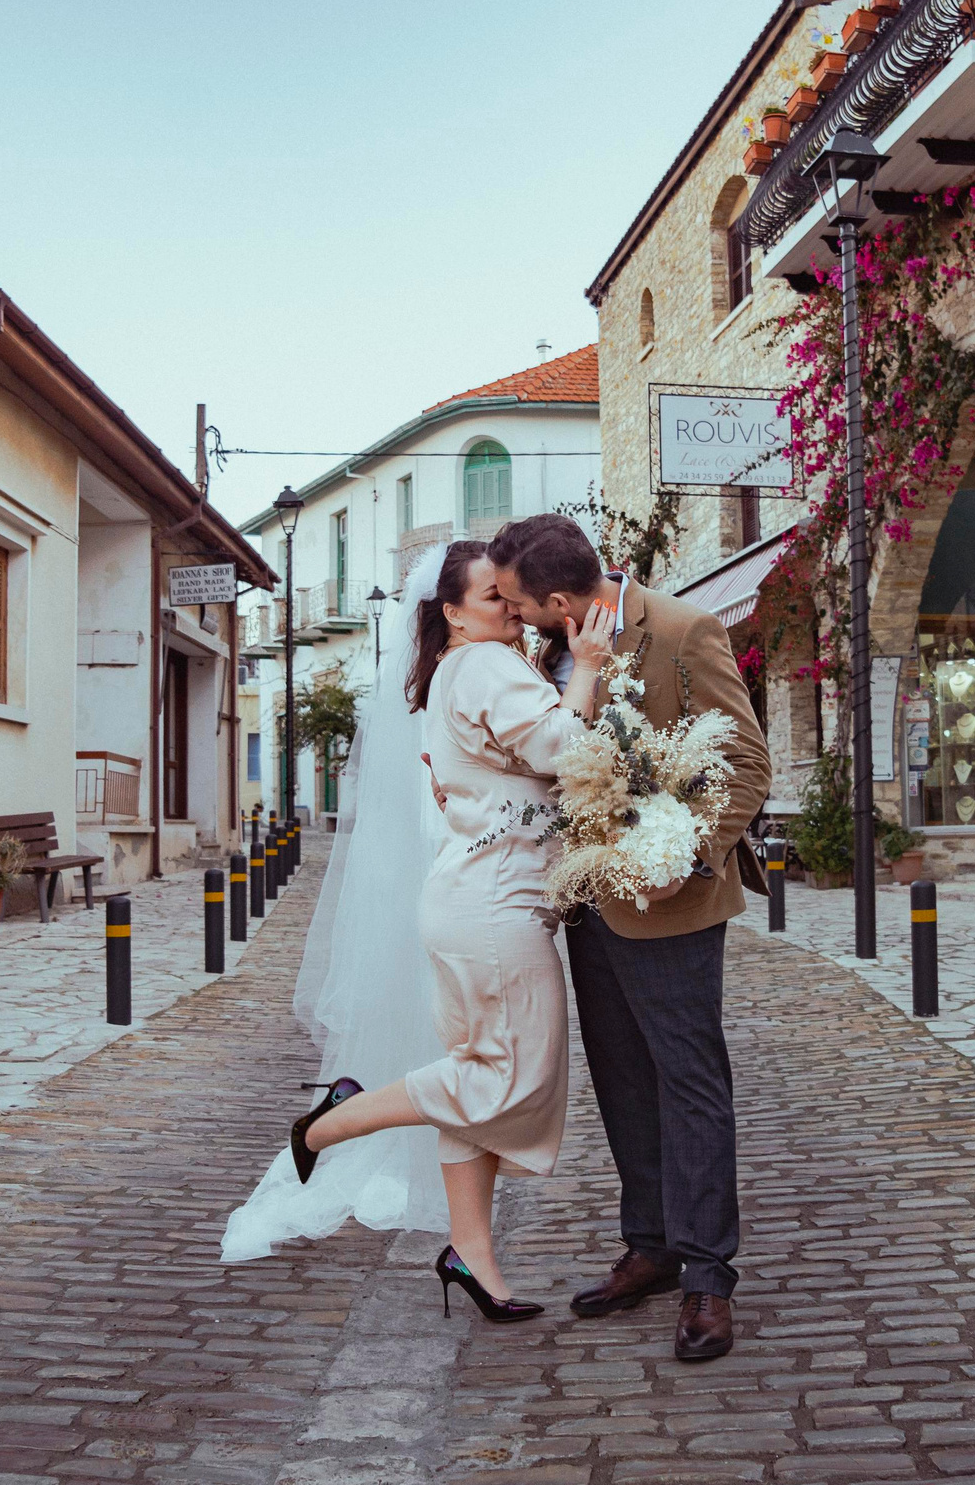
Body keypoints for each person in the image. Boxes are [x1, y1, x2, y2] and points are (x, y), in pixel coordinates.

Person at [226, 538, 616, 1321]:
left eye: (510, 593)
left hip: (470, 901)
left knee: (477, 1070)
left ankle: (471, 1256)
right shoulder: (487, 666)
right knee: (506, 1078)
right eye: (491, 596)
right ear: (452, 613)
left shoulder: (455, 673)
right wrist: (595, 667)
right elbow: (564, 750)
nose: (509, 605)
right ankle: (331, 1122)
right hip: (496, 907)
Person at [486, 512, 772, 1362]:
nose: (510, 612)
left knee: (689, 1082)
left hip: (670, 901)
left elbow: (748, 762)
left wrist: (679, 856)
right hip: (591, 908)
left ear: (563, 596)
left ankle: (709, 1278)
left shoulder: (685, 630)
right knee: (621, 1078)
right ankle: (650, 1242)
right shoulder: (548, 655)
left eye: (515, 600)